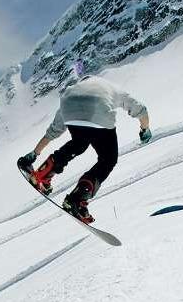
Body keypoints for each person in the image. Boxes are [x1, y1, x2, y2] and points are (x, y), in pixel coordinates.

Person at [18, 76, 151, 223]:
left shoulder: (72, 91)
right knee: (108, 159)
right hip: (100, 111)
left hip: (69, 108)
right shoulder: (112, 88)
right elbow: (141, 110)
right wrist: (145, 130)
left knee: (79, 143)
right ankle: (78, 199)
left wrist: (34, 153)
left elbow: (53, 131)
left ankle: (42, 174)